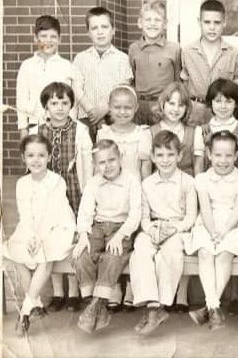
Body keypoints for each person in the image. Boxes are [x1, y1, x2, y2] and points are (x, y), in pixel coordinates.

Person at [4, 134, 76, 336]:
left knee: (44, 255)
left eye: (41, 155)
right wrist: (29, 236)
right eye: (31, 155)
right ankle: (35, 304)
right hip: (31, 228)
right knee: (14, 251)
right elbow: (25, 214)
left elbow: (54, 215)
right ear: (23, 158)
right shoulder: (22, 183)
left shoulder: (56, 181)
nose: (36, 160)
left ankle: (25, 312)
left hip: (58, 228)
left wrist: (40, 237)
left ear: (49, 157)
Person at [32, 82, 93, 313]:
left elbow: (87, 167)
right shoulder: (38, 131)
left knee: (73, 240)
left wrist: (88, 194)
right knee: (50, 237)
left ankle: (74, 291)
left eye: (64, 103)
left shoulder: (80, 131)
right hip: (48, 195)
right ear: (46, 106)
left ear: (71, 105)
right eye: (54, 103)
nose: (59, 107)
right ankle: (57, 292)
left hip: (74, 191)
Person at [129, 131, 198, 335]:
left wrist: (173, 229)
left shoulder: (188, 182)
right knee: (140, 250)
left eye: (170, 155)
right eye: (160, 155)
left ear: (179, 156)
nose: (165, 160)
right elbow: (143, 217)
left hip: (178, 229)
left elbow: (191, 217)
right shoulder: (147, 183)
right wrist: (151, 229)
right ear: (152, 157)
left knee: (169, 254)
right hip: (153, 228)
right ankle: (152, 307)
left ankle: (158, 308)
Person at [73, 139, 142, 333]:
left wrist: (121, 235)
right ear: (95, 165)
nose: (107, 166)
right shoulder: (94, 183)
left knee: (112, 256)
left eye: (112, 160)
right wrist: (83, 234)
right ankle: (95, 304)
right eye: (101, 162)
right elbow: (85, 212)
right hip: (98, 227)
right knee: (80, 255)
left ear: (120, 158)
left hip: (121, 228)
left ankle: (95, 305)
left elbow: (135, 213)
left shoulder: (131, 180)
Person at [187, 131, 238, 330]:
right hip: (208, 223)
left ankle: (209, 307)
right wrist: (213, 231)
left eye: (229, 155)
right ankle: (214, 307)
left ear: (236, 156)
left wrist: (223, 233)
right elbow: (205, 208)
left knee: (224, 254)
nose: (223, 161)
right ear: (209, 154)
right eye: (218, 155)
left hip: (234, 224)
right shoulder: (202, 179)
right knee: (205, 252)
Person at [96, 84, 151, 310]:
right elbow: (97, 168)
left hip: (133, 195)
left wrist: (145, 198)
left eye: (127, 107)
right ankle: (114, 287)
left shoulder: (142, 134)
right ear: (109, 108)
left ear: (136, 108)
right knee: (110, 242)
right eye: (117, 107)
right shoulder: (103, 133)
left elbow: (145, 169)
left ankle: (130, 287)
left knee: (130, 242)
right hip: (110, 197)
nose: (122, 112)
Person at [73, 7, 133, 141]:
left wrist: (103, 109)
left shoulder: (122, 58)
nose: (100, 32)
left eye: (104, 27)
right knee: (87, 157)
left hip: (112, 118)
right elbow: (76, 88)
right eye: (94, 28)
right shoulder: (80, 58)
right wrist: (91, 111)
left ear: (113, 30)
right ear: (88, 32)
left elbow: (122, 88)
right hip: (86, 118)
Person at [16, 15, 79, 139]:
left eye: (53, 37)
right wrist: (23, 129)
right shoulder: (27, 66)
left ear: (59, 39)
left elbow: (73, 101)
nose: (48, 41)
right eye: (43, 36)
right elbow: (21, 99)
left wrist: (71, 126)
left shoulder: (67, 66)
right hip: (34, 125)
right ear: (35, 38)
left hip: (62, 125)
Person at [180, 0, 238, 127]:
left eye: (217, 22)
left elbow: (236, 88)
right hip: (195, 112)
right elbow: (184, 85)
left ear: (224, 22)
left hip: (223, 113)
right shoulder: (187, 52)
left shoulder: (233, 53)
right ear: (199, 22)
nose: (212, 27)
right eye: (207, 22)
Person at [128, 0, 181, 125]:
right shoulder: (134, 48)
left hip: (164, 106)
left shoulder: (174, 48)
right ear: (140, 23)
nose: (153, 24)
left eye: (157, 20)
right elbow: (132, 78)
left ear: (165, 24)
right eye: (148, 20)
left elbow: (177, 80)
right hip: (140, 106)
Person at [194, 78, 238, 174]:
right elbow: (198, 165)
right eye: (218, 101)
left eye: (228, 102)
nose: (223, 106)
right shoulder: (202, 130)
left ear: (236, 104)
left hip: (237, 185)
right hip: (210, 185)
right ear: (210, 103)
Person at [139, 82, 195, 177]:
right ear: (162, 104)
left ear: (186, 108)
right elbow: (146, 167)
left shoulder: (194, 132)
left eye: (181, 105)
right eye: (171, 103)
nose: (176, 109)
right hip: (159, 186)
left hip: (186, 187)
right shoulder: (149, 132)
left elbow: (198, 166)